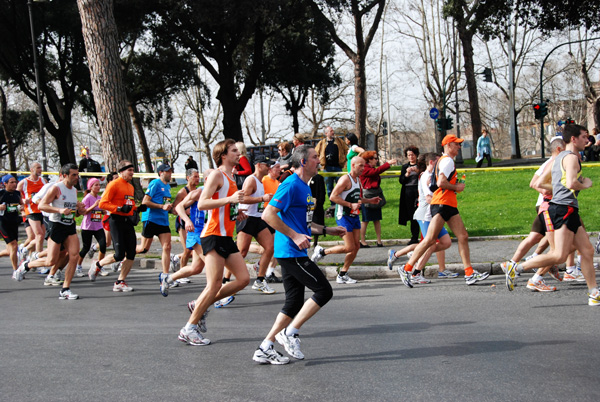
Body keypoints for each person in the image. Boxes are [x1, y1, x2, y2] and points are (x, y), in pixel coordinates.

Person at [252, 145, 346, 364]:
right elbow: (268, 214)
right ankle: (290, 332)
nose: (319, 161)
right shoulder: (291, 184)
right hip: (290, 251)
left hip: (293, 250)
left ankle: (265, 347)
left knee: (293, 303)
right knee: (324, 290)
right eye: (314, 158)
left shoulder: (305, 187)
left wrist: (327, 230)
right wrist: (294, 236)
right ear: (303, 162)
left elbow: (303, 223)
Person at [505, 124, 599, 306]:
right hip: (564, 210)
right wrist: (584, 184)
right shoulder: (572, 158)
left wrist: (563, 188)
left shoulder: (558, 158)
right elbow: (571, 182)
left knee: (587, 250)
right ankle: (516, 267)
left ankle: (594, 292)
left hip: (566, 208)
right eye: (584, 137)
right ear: (573, 139)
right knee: (559, 255)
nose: (587, 140)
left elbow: (541, 182)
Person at [177, 139, 248, 346]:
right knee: (214, 284)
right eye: (234, 151)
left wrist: (236, 212)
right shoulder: (217, 174)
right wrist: (230, 201)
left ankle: (200, 303)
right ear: (223, 155)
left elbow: (225, 206)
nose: (238, 153)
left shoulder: (231, 177)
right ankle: (188, 328)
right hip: (213, 234)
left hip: (226, 235)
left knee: (243, 279)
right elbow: (203, 203)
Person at [397, 134, 489, 287]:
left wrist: (454, 186)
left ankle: (469, 273)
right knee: (429, 240)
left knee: (463, 236)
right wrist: (456, 187)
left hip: (448, 204)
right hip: (442, 204)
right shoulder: (447, 161)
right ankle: (406, 268)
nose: (459, 147)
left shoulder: (445, 161)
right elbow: (440, 182)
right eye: (456, 144)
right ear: (448, 145)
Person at [16, 164, 86, 300]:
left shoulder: (74, 190)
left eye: (78, 175)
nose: (77, 178)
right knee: (51, 261)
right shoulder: (56, 188)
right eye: (74, 175)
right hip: (56, 225)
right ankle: (27, 265)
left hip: (69, 226)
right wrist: (59, 210)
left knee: (74, 255)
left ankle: (65, 289)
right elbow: (42, 205)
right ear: (65, 175)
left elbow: (72, 212)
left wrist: (79, 211)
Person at [311, 156, 381, 284]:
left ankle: (343, 274)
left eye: (364, 165)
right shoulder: (345, 179)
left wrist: (370, 200)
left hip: (354, 215)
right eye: (360, 165)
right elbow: (333, 197)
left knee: (356, 246)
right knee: (349, 247)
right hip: (343, 216)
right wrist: (349, 205)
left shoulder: (358, 180)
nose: (363, 168)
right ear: (352, 165)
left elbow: (356, 199)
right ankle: (322, 251)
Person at [387, 153, 453, 283]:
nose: (441, 165)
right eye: (439, 162)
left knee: (445, 242)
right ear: (431, 163)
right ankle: (415, 272)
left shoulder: (434, 176)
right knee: (429, 244)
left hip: (435, 215)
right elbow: (429, 198)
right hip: (425, 215)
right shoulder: (426, 177)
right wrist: (443, 202)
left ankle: (398, 255)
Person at [89, 160, 140, 292]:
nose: (132, 173)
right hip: (115, 220)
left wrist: (138, 209)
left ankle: (120, 281)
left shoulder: (130, 186)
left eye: (133, 171)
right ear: (122, 171)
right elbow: (103, 204)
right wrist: (119, 208)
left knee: (131, 253)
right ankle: (98, 264)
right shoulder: (114, 184)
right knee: (119, 255)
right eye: (130, 170)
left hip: (127, 221)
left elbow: (130, 204)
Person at [237, 154, 276, 294]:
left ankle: (260, 280)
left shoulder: (260, 181)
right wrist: (261, 198)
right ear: (258, 165)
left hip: (258, 219)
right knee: (241, 252)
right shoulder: (251, 180)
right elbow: (242, 199)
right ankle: (225, 281)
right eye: (267, 165)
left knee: (270, 247)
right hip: (247, 218)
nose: (269, 167)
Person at [134, 164, 175, 290]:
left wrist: (171, 209)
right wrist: (161, 206)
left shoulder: (167, 187)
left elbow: (164, 203)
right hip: (151, 219)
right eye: (168, 171)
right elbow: (145, 202)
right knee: (143, 249)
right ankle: (125, 253)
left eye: (171, 171)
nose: (170, 173)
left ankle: (165, 276)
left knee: (167, 247)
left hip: (163, 221)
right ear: (161, 172)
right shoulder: (155, 184)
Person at [359, 151, 396, 248]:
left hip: (375, 194)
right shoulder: (365, 168)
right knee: (365, 220)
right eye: (375, 158)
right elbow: (375, 172)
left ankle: (379, 240)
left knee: (377, 219)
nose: (377, 160)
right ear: (369, 160)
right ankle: (362, 241)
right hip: (367, 195)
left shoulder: (371, 168)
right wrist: (388, 164)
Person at [170, 168, 200, 275]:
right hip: (183, 222)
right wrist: (186, 211)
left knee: (193, 250)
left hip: (195, 223)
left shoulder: (198, 190)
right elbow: (174, 209)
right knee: (188, 249)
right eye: (195, 177)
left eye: (198, 176)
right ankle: (182, 273)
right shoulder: (183, 192)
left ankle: (176, 257)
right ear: (188, 178)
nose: (198, 179)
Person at [75, 178, 107, 278]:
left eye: (99, 184)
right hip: (87, 226)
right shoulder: (88, 198)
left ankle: (99, 266)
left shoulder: (100, 198)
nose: (98, 186)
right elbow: (83, 212)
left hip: (98, 226)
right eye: (96, 185)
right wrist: (94, 205)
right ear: (91, 187)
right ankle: (78, 266)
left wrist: (103, 211)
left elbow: (102, 210)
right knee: (85, 248)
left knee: (103, 245)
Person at [16, 162, 46, 261]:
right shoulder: (24, 182)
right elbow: (16, 195)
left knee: (39, 237)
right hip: (31, 212)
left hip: (43, 211)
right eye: (38, 168)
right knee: (39, 235)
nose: (40, 169)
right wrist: (22, 201)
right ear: (32, 169)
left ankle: (26, 252)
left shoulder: (43, 181)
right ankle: (38, 259)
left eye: (40, 168)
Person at [315, 126, 348, 204]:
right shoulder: (322, 143)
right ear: (326, 133)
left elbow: (346, 150)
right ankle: (333, 204)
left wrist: (344, 160)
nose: (333, 132)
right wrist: (319, 164)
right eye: (331, 131)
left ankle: (341, 203)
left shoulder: (339, 141)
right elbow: (316, 153)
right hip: (327, 168)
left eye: (333, 131)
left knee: (340, 186)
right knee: (329, 188)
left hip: (338, 167)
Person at [0, 174, 24, 276]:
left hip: (14, 223)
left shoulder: (17, 193)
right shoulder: (1, 193)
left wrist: (22, 207)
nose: (15, 184)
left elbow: (21, 204)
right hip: (2, 223)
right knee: (14, 245)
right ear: (5, 183)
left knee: (11, 250)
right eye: (12, 182)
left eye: (15, 182)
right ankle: (16, 271)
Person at [398, 146, 420, 244]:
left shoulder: (420, 165)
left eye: (412, 155)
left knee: (420, 213)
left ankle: (423, 234)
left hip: (418, 191)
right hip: (408, 192)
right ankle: (414, 236)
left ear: (416, 155)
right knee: (412, 215)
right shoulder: (405, 167)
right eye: (409, 155)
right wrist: (406, 174)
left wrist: (417, 171)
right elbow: (401, 181)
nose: (411, 157)